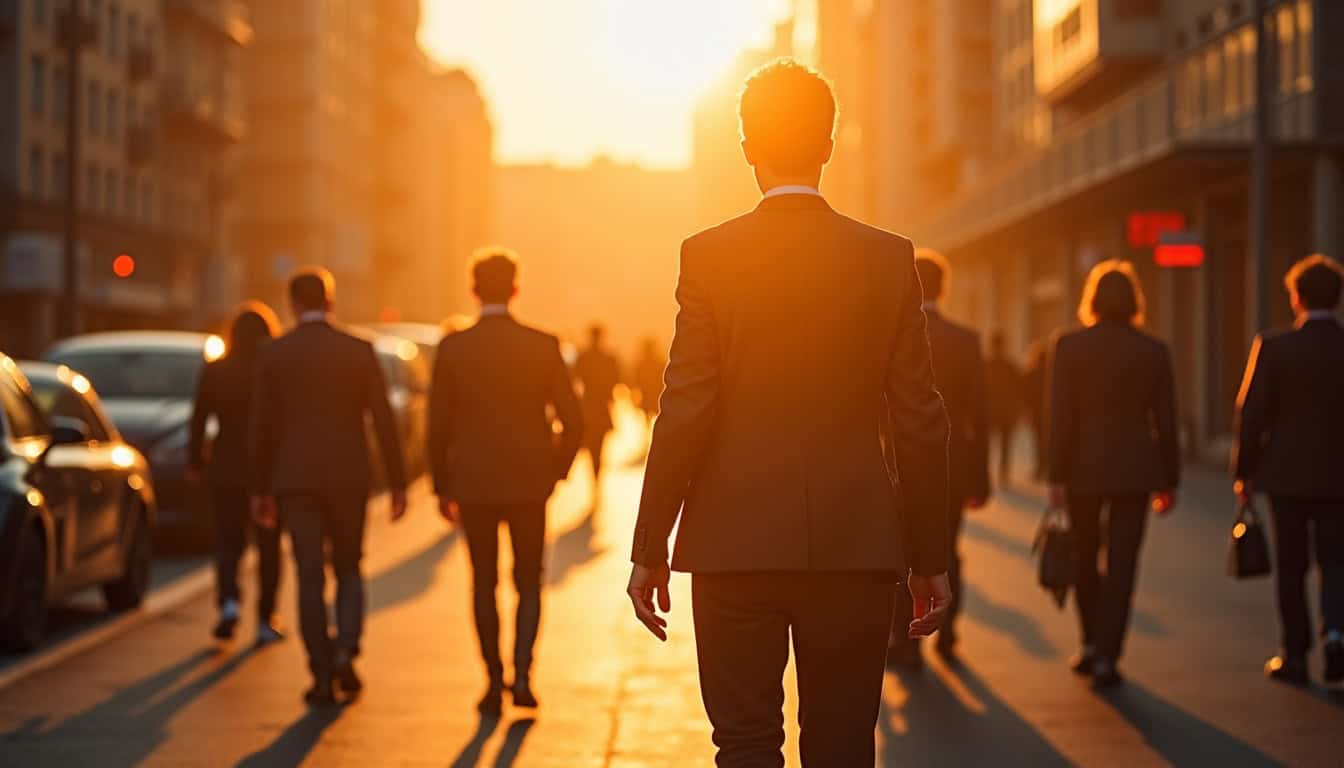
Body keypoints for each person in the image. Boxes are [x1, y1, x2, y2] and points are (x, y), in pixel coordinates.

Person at [625, 59, 952, 767]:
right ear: (829, 146)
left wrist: (651, 545)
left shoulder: (709, 257)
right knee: (841, 748)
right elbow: (920, 418)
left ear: (747, 147)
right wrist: (929, 555)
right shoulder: (888, 258)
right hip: (855, 542)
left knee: (744, 745)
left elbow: (685, 407)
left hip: (733, 542)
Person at [429, 248, 584, 716]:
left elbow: (438, 424)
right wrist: (554, 471)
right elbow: (574, 422)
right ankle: (524, 675)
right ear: (517, 288)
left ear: (474, 291)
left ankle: (492, 681)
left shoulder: (453, 348)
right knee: (529, 581)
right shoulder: (543, 344)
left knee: (482, 582)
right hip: (528, 481)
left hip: (473, 481)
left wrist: (442, 485)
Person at [249, 267, 408, 707]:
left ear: (293, 304)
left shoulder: (274, 353)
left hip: (295, 481)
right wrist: (398, 482)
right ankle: (346, 651)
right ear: (330, 302)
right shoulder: (358, 350)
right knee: (350, 566)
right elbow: (382, 419)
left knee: (308, 576)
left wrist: (261, 489)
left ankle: (320, 670)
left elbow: (262, 428)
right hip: (348, 477)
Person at [1048, 259, 1180, 688]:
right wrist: (1169, 479)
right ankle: (1108, 653)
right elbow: (1166, 420)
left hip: (1083, 467)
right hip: (1135, 467)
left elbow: (1059, 417)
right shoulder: (1153, 351)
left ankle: (1089, 643)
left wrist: (1056, 476)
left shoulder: (1068, 346)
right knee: (1123, 562)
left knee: (1085, 555)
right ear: (1134, 302)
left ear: (1092, 300)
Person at [1233, 254, 1344, 686]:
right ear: (1337, 300)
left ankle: (1294, 654)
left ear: (1296, 299)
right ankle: (1337, 634)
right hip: (1339, 478)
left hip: (1286, 477)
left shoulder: (1273, 346)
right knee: (1336, 560)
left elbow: (1251, 414)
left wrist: (1244, 472)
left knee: (1292, 564)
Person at [888, 250, 989, 670]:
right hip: (954, 463)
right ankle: (948, 634)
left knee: (903, 550)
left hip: (899, 463)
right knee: (948, 548)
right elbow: (980, 416)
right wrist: (981, 478)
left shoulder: (892, 337)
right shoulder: (966, 340)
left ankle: (907, 642)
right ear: (944, 288)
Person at [189, 302, 285, 645]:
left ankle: (229, 603)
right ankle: (265, 617)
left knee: (228, 541)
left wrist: (195, 463)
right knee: (269, 546)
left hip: (225, 466)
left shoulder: (217, 370)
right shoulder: (273, 369)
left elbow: (199, 418)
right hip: (267, 469)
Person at [573, 324, 621, 488]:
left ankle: (594, 471)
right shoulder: (608, 358)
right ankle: (597, 471)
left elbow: (576, 378)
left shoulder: (583, 357)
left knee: (592, 441)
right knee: (599, 442)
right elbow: (616, 379)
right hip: (602, 405)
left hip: (588, 405)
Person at [985, 332, 1023, 486]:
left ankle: (995, 473)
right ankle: (1003, 473)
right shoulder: (1010, 366)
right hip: (1005, 411)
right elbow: (1019, 390)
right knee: (1004, 445)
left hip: (991, 411)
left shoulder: (985, 365)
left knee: (989, 444)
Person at [632, 336, 665, 423]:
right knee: (656, 419)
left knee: (649, 420)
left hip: (651, 396)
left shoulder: (641, 365)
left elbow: (636, 383)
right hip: (654, 396)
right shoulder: (659, 364)